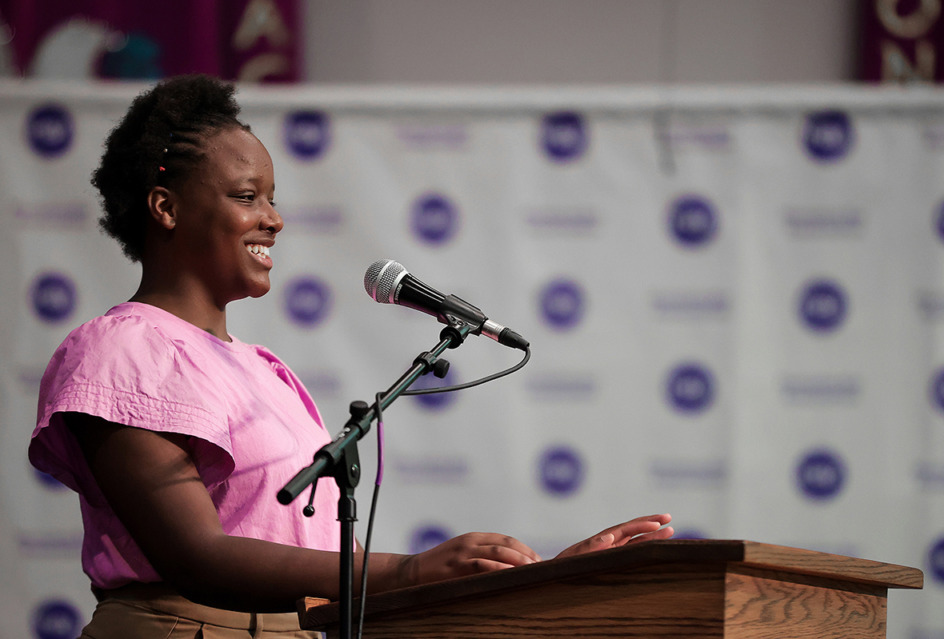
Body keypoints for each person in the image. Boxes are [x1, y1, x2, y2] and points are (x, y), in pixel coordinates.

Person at [28, 74, 674, 638]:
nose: (274, 219)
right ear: (165, 207)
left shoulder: (263, 368)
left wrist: (547, 577)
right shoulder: (121, 347)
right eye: (248, 196)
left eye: (273, 197)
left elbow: (345, 576)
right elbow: (197, 554)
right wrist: (412, 567)